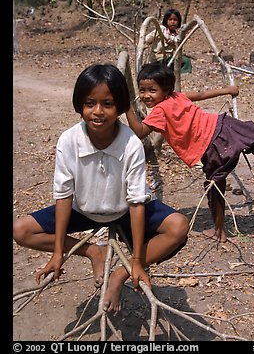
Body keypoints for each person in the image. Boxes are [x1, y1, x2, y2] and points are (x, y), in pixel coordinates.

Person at [13, 63, 189, 314]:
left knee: (179, 226)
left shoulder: (131, 144)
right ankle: (94, 251)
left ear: (120, 106)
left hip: (125, 209)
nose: (98, 112)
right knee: (20, 230)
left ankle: (119, 274)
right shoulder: (69, 140)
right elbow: (64, 196)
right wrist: (59, 252)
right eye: (89, 103)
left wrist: (136, 262)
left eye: (107, 104)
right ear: (79, 105)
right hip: (84, 209)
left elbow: (137, 202)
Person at [125, 62, 254, 243]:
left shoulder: (159, 111)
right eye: (142, 90)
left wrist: (127, 109)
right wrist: (227, 90)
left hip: (211, 146)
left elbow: (140, 132)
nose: (146, 95)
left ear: (166, 90)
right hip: (223, 124)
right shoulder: (177, 97)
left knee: (215, 185)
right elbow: (200, 95)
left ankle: (219, 230)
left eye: (152, 90)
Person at [145, 8, 192, 73]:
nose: (172, 22)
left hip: (168, 59)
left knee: (186, 61)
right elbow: (147, 39)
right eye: (170, 19)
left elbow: (178, 49)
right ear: (166, 21)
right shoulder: (161, 29)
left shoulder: (176, 37)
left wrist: (172, 44)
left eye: (175, 20)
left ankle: (180, 75)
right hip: (157, 58)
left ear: (178, 22)